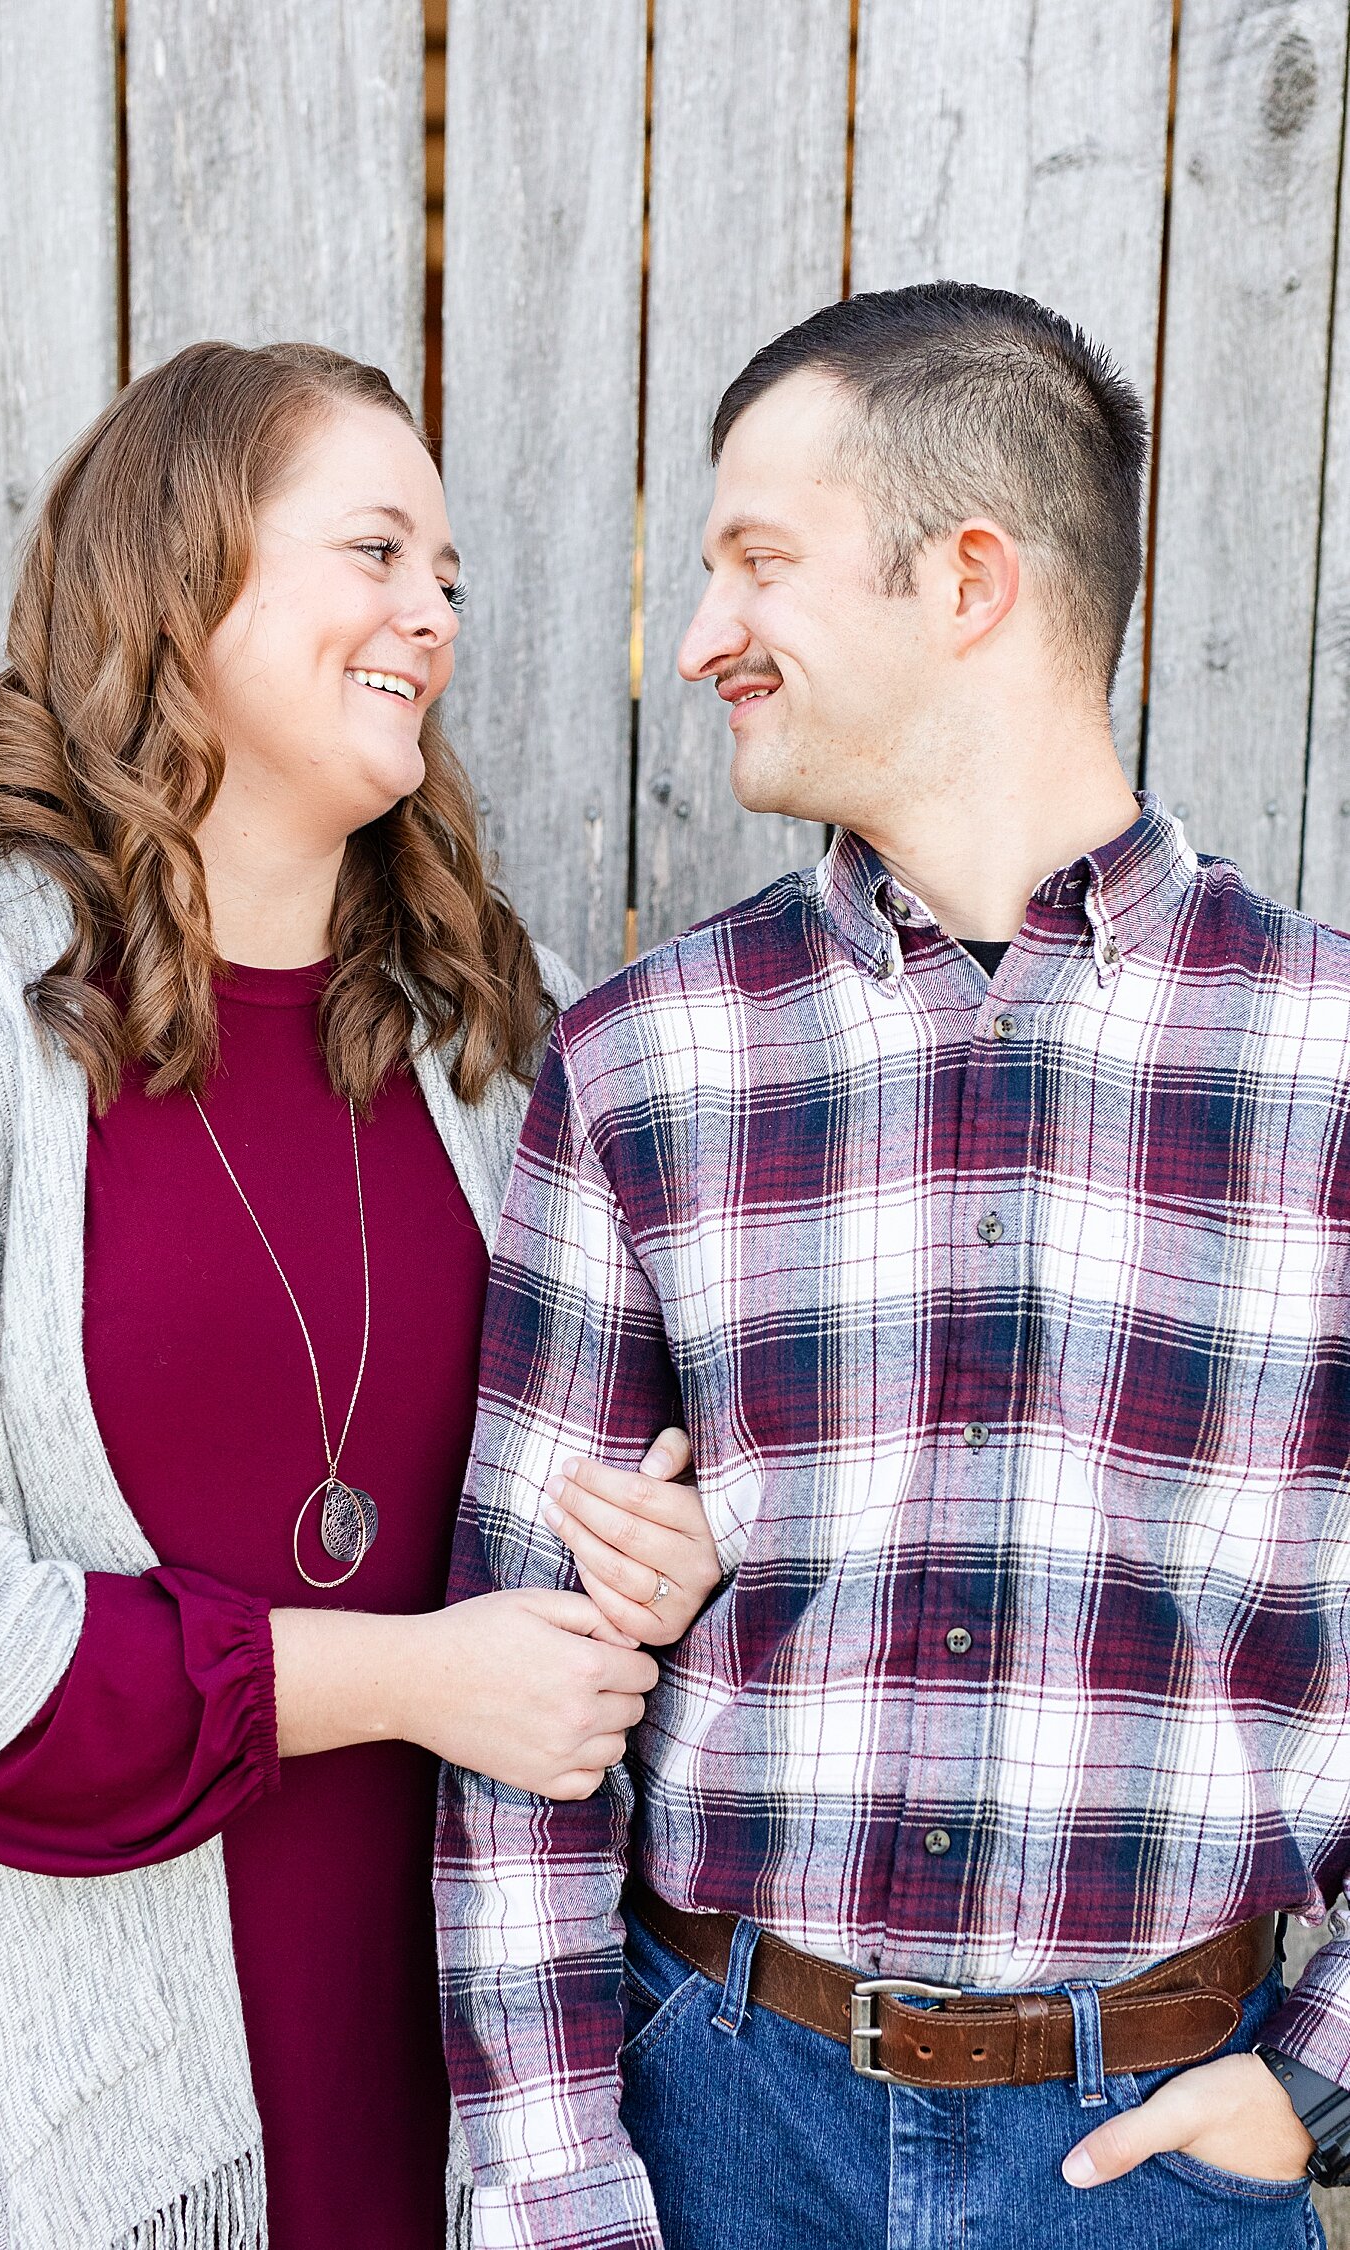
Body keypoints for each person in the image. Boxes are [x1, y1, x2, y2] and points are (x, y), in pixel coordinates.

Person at [436, 280, 1350, 2249]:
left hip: (1161, 2164)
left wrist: (1316, 2086)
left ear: (968, 581)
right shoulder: (646, 1067)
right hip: (720, 2129)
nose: (699, 642)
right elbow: (523, 1707)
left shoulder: (1327, 1068)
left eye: (759, 564)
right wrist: (559, 2191)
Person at [0, 340, 724, 2250]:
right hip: (72, 2120)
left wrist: (659, 1546)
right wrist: (412, 1674)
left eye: (453, 579)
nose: (434, 613)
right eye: (379, 550)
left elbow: (655, 1463)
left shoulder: (515, 1040)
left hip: (488, 2084)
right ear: (185, 578)